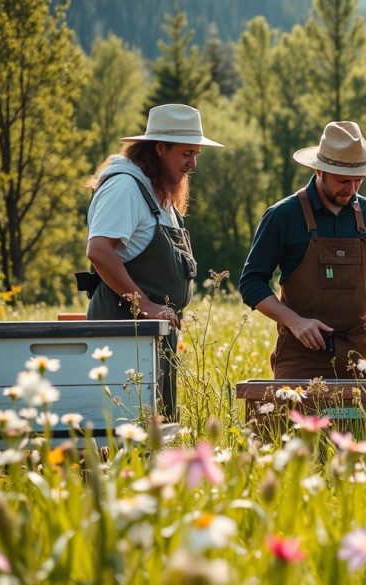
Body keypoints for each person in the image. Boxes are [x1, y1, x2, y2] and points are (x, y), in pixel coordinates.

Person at [79, 103, 223, 420]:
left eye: (196, 154)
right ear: (160, 148)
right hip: (124, 328)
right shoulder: (125, 186)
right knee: (123, 429)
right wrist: (144, 305)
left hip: (150, 329)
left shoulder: (157, 192)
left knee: (157, 428)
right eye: (186, 153)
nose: (192, 163)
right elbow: (99, 251)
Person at [240, 121, 366, 379]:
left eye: (358, 180)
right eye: (343, 181)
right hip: (301, 354)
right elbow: (252, 283)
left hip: (361, 355)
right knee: (296, 421)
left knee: (365, 422)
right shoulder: (283, 215)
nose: (351, 189)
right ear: (319, 171)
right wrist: (295, 322)